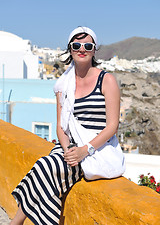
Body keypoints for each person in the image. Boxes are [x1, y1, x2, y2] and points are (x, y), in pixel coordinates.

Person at [10, 26, 125, 225]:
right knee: (45, 167)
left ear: (94, 50)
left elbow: (112, 126)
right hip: (70, 147)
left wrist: (84, 150)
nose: (82, 49)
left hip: (97, 148)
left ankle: (16, 223)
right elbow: (61, 128)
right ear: (70, 49)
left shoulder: (106, 80)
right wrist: (69, 150)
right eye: (77, 45)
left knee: (46, 167)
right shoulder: (63, 84)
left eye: (87, 45)